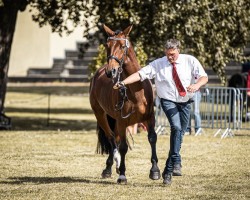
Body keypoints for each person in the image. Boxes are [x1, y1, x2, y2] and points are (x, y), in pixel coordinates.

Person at [113, 39, 208, 185]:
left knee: (180, 134)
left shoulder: (190, 60)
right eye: (168, 54)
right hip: (168, 101)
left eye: (173, 54)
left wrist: (196, 85)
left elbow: (204, 77)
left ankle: (169, 169)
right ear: (165, 52)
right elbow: (140, 74)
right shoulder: (158, 64)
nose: (171, 57)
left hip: (186, 101)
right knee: (176, 128)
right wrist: (123, 82)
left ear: (178, 50)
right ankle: (174, 164)